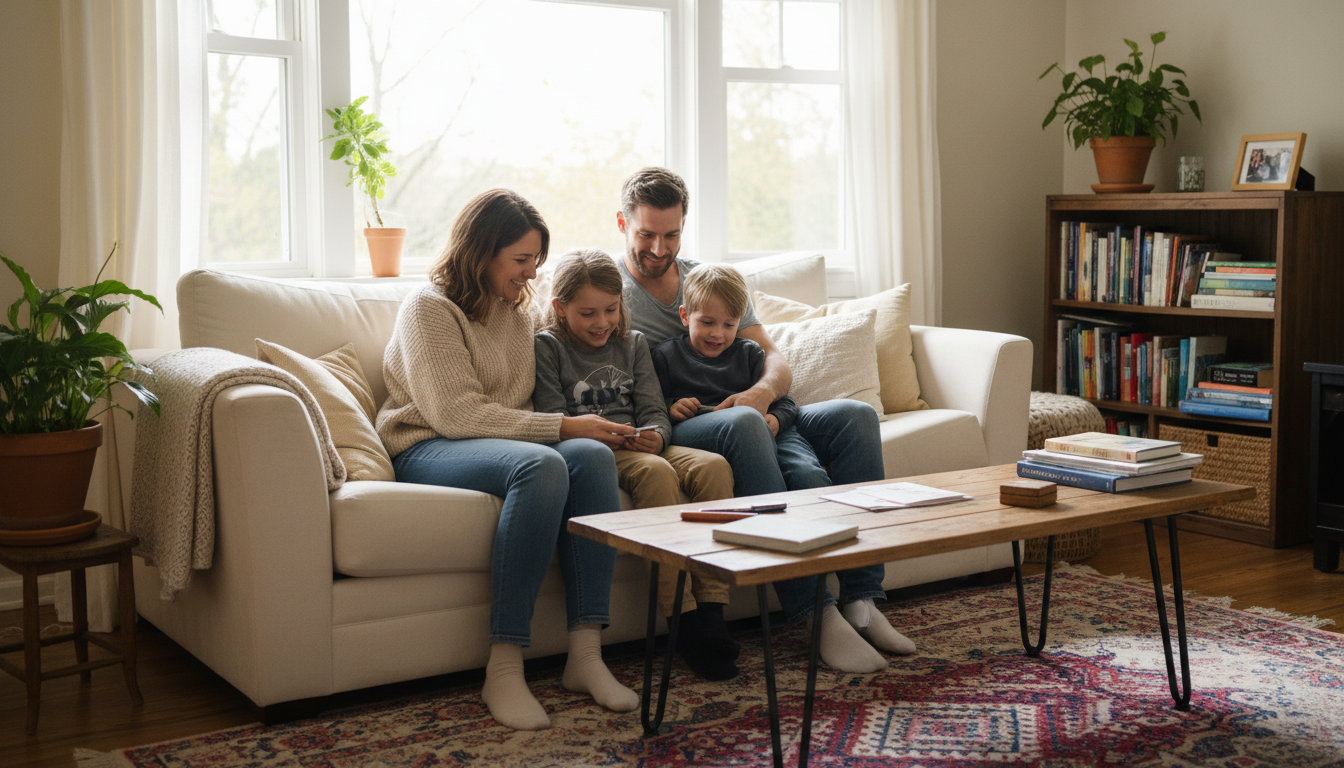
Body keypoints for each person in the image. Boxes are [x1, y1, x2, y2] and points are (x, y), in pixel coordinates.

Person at [615, 167, 914, 673]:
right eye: (646, 234)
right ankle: (814, 612)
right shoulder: (611, 292)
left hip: (756, 412)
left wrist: (761, 395)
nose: (659, 249)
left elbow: (772, 359)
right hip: (687, 422)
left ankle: (862, 598)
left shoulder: (709, 281)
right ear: (623, 223)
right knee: (745, 424)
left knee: (855, 416)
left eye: (672, 234)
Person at [376, 189, 638, 731]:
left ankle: (586, 655)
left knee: (591, 457)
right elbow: (457, 414)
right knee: (543, 465)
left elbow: (541, 388)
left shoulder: (519, 311)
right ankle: (504, 668)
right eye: (521, 260)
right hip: (428, 444)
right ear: (481, 251)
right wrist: (562, 426)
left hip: (504, 440)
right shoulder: (430, 308)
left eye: (536, 260)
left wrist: (596, 422)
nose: (531, 273)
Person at [533, 248, 742, 680]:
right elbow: (554, 416)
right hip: (598, 449)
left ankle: (712, 609)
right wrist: (601, 434)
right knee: (656, 473)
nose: (602, 322)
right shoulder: (548, 347)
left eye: (611, 309)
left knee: (714, 466)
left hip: (643, 443)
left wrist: (658, 434)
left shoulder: (633, 344)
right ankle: (682, 618)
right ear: (560, 307)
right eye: (588, 313)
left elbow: (653, 408)